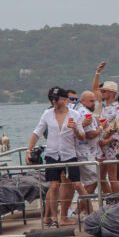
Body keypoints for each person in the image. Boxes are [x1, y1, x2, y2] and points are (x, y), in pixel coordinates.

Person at [26, 87, 85, 227]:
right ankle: (54, 218)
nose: (53, 101)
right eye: (51, 99)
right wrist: (29, 150)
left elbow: (82, 137)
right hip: (52, 154)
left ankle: (87, 211)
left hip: (69, 154)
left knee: (76, 184)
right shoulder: (47, 113)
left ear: (64, 100)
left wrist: (75, 128)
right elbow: (37, 132)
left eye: (56, 99)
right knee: (53, 186)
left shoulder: (75, 114)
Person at [92, 62, 119, 194]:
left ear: (111, 92)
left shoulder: (118, 107)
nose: (101, 92)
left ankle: (117, 201)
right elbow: (95, 90)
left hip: (112, 144)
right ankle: (110, 200)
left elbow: (118, 128)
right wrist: (97, 73)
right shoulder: (101, 106)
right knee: (101, 177)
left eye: (104, 91)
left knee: (112, 177)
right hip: (100, 144)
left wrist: (107, 140)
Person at [74, 91, 101, 212]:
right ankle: (80, 209)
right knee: (92, 181)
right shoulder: (84, 112)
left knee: (90, 182)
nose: (93, 103)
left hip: (87, 152)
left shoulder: (82, 111)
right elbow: (90, 134)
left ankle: (84, 209)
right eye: (91, 100)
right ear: (83, 101)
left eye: (94, 100)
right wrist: (101, 128)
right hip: (85, 152)